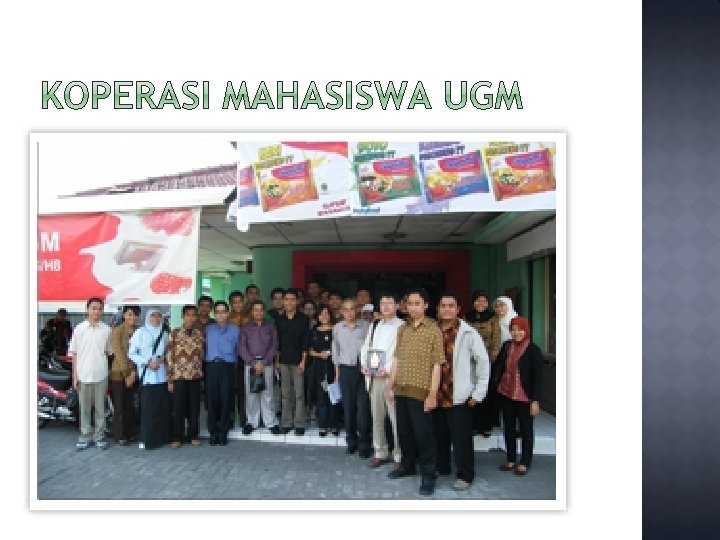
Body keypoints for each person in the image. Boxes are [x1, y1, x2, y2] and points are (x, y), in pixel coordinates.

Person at [386, 287, 445, 496]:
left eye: (416, 303)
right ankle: (407, 465)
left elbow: (437, 364)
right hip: (401, 389)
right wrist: (390, 385)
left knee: (424, 435)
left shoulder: (434, 330)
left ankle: (429, 474)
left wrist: (432, 394)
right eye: (409, 304)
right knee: (404, 432)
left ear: (426, 305)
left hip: (421, 392)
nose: (412, 308)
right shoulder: (403, 329)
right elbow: (397, 358)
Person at [434, 293, 490, 491]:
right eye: (443, 305)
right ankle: (442, 467)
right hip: (436, 395)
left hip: (459, 396)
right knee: (439, 436)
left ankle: (465, 474)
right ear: (438, 309)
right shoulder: (433, 331)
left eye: (451, 306)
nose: (447, 309)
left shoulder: (469, 333)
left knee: (461, 440)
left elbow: (483, 363)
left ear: (458, 309)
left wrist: (478, 393)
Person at [360, 292, 404, 469]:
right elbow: (366, 346)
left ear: (397, 305)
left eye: (389, 302)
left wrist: (388, 368)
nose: (385, 306)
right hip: (374, 377)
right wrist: (364, 364)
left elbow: (402, 352)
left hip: (393, 377)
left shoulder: (403, 326)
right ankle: (380, 451)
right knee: (377, 417)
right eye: (382, 303)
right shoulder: (375, 324)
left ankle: (399, 454)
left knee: (396, 418)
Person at [495, 316, 544, 476]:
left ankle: (525, 462)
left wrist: (535, 400)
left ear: (526, 330)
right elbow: (499, 366)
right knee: (509, 428)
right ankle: (511, 459)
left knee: (526, 429)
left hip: (525, 397)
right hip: (506, 393)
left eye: (520, 329)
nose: (516, 333)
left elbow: (538, 378)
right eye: (513, 329)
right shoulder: (507, 346)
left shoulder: (533, 350)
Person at [69, 297, 113, 451]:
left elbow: (109, 352)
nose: (96, 312)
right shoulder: (79, 329)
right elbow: (74, 354)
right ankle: (85, 436)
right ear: (87, 310)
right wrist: (75, 376)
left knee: (101, 408)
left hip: (101, 373)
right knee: (85, 408)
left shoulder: (107, 330)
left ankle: (99, 436)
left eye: (99, 309)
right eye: (93, 308)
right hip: (83, 374)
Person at [332, 298, 371, 457]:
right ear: (341, 311)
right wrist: (337, 374)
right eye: (346, 309)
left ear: (357, 310)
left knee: (363, 409)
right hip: (345, 371)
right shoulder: (337, 328)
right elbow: (335, 352)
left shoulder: (366, 326)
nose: (349, 312)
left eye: (352, 309)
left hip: (362, 370)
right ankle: (351, 441)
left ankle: (364, 444)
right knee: (348, 409)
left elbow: (371, 348)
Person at [129, 307, 171, 450]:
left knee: (161, 409)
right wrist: (147, 362)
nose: (156, 319)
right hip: (147, 376)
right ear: (148, 317)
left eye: (158, 316)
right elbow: (132, 353)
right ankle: (147, 439)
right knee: (148, 411)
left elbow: (169, 351)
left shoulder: (164, 333)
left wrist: (163, 358)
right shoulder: (140, 332)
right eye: (153, 316)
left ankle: (161, 438)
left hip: (161, 376)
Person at [239, 300, 281, 435]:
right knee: (251, 394)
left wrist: (264, 362)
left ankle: (271, 422)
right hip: (250, 364)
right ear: (252, 312)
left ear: (264, 311)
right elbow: (242, 347)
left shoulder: (270, 327)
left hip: (266, 364)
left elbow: (274, 346)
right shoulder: (245, 328)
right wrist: (253, 363)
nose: (258, 312)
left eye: (261, 309)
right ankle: (252, 422)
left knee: (267, 394)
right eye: (255, 310)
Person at [166, 305, 205, 448]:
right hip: (179, 376)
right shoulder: (175, 333)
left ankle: (193, 435)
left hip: (195, 376)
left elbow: (202, 355)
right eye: (188, 315)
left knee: (194, 408)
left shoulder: (199, 334)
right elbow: (170, 356)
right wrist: (170, 379)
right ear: (182, 316)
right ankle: (177, 437)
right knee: (178, 408)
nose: (191, 318)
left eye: (193, 315)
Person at [465, 290, 502, 437]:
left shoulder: (493, 318)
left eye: (484, 301)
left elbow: (496, 338)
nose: (481, 303)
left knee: (487, 391)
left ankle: (487, 426)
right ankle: (474, 425)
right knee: (472, 391)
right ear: (473, 302)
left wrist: (491, 357)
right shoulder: (467, 317)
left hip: (488, 359)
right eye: (478, 300)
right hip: (470, 360)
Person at [204, 301, 240, 446]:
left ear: (227, 313)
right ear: (214, 314)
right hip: (211, 366)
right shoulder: (208, 329)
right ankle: (213, 432)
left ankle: (223, 432)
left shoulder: (235, 330)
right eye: (217, 312)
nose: (220, 315)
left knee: (226, 399)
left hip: (227, 367)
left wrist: (232, 366)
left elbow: (237, 350)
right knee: (212, 400)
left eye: (223, 311)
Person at [275, 290, 310, 435]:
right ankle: (287, 422)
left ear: (297, 301)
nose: (289, 302)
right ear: (283, 301)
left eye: (292, 299)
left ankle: (299, 423)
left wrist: (303, 361)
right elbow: (277, 342)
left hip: (298, 361)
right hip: (283, 361)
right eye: (287, 299)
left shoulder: (303, 319)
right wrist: (277, 361)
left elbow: (305, 341)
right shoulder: (279, 320)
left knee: (299, 394)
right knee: (285, 393)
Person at [109, 305, 140, 445]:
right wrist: (127, 373)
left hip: (133, 373)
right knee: (120, 405)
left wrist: (133, 372)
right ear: (124, 315)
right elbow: (119, 354)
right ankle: (119, 435)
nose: (132, 317)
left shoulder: (139, 331)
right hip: (119, 373)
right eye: (129, 314)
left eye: (135, 315)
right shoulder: (118, 331)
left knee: (130, 405)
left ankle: (130, 433)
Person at [309, 305, 339, 436]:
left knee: (334, 396)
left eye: (326, 313)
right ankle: (322, 425)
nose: (324, 316)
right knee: (321, 397)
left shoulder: (336, 330)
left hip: (334, 366)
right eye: (321, 314)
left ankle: (334, 425)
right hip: (319, 367)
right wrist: (319, 355)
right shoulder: (314, 331)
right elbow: (310, 351)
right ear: (318, 316)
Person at [228, 290, 248, 429]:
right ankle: (230, 417)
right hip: (230, 358)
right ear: (230, 304)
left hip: (245, 358)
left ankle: (243, 417)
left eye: (240, 301)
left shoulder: (249, 318)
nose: (237, 305)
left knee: (243, 389)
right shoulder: (227, 319)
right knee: (230, 389)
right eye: (234, 302)